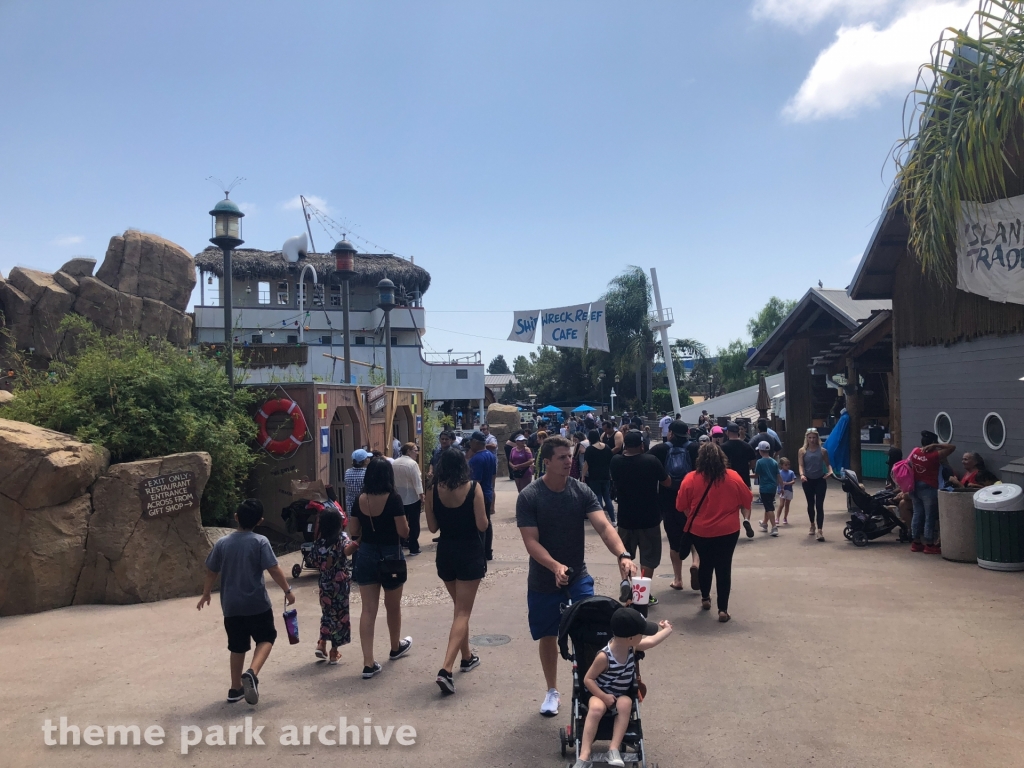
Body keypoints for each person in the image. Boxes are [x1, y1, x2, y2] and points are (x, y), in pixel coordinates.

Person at [517, 436, 639, 717]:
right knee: (548, 635)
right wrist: (554, 566)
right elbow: (531, 541)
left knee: (593, 629)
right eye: (562, 457)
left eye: (570, 456)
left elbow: (604, 526)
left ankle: (594, 688)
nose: (568, 461)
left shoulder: (581, 491)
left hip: (578, 576)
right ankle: (552, 690)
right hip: (543, 580)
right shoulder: (530, 496)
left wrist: (623, 554)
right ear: (547, 461)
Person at [197, 498, 294, 705]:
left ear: (236, 517)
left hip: (231, 606)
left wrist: (206, 593)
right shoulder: (260, 541)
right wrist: (287, 590)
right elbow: (274, 569)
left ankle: (235, 688)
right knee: (267, 637)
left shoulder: (222, 543)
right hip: (257, 603)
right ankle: (252, 672)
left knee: (237, 646)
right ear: (260, 521)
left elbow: (211, 570)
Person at [424, 448, 489, 695]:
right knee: (463, 612)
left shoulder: (432, 490)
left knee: (459, 609)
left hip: (446, 552)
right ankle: (446, 669)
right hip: (469, 551)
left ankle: (467, 656)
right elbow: (482, 524)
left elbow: (432, 527)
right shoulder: (473, 488)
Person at [573, 609, 673, 768]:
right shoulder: (604, 657)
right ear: (631, 638)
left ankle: (613, 749)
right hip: (599, 694)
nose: (643, 636)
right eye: (641, 634)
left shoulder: (631, 648)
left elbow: (652, 641)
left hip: (620, 695)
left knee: (625, 703)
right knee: (597, 708)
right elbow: (588, 679)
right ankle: (584, 754)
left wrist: (667, 630)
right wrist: (603, 696)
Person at [349, 457, 413, 679]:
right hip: (391, 555)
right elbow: (403, 531)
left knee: (368, 609)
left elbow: (353, 530)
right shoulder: (393, 499)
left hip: (366, 553)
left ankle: (368, 663)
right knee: (392, 606)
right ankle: (395, 647)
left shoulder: (360, 499)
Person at [675, 443, 752, 623]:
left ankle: (705, 598)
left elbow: (680, 505)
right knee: (724, 567)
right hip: (728, 529)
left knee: (705, 563)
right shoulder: (733, 476)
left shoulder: (690, 478)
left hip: (700, 530)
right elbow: (747, 499)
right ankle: (723, 609)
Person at [610, 430, 672, 604]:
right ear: (642, 445)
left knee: (625, 554)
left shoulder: (615, 461)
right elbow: (667, 482)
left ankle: (626, 582)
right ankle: (641, 594)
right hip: (649, 517)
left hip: (625, 517)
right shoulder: (651, 461)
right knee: (649, 557)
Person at [649, 419, 701, 592]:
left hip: (668, 500)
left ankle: (678, 579)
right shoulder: (696, 448)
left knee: (674, 539)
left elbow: (647, 466)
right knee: (695, 534)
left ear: (670, 433)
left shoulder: (659, 450)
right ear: (687, 433)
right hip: (693, 499)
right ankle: (696, 563)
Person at [309, 507, 357, 665]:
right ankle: (334, 652)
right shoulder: (341, 537)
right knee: (340, 616)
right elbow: (348, 551)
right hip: (340, 584)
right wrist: (358, 542)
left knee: (327, 613)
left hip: (324, 583)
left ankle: (321, 643)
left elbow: (313, 560)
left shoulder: (319, 541)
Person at [907, 430, 956, 554]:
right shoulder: (934, 456)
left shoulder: (915, 451)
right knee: (930, 516)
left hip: (914, 487)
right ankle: (929, 544)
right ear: (932, 443)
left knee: (917, 514)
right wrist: (936, 445)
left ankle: (916, 542)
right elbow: (952, 447)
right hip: (929, 488)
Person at [719, 422, 758, 538]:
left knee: (730, 503)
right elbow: (753, 462)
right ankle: (746, 519)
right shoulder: (746, 446)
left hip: (727, 479)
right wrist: (747, 468)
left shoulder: (723, 447)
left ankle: (731, 525)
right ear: (738, 432)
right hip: (744, 478)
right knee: (746, 501)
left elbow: (719, 463)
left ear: (728, 432)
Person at [798, 428, 834, 542]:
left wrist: (830, 471)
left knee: (819, 505)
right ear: (807, 438)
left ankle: (820, 530)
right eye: (810, 437)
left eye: (814, 437)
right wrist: (802, 475)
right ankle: (812, 524)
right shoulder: (802, 451)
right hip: (807, 480)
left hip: (820, 480)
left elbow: (828, 464)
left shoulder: (823, 451)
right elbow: (801, 465)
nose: (812, 440)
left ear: (817, 438)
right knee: (810, 504)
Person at [467, 431, 498, 560]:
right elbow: (493, 476)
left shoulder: (477, 459)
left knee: (479, 524)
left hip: (479, 495)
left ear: (475, 442)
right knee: (487, 523)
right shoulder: (490, 455)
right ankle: (487, 551)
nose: (469, 444)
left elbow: (476, 482)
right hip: (488, 492)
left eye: (471, 442)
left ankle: (480, 552)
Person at [393, 442, 425, 556]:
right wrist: (421, 495)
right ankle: (413, 547)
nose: (417, 453)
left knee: (400, 521)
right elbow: (417, 481)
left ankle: (401, 543)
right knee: (414, 523)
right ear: (408, 451)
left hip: (398, 497)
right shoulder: (412, 464)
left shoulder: (394, 462)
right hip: (412, 497)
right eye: (415, 450)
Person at [582, 428, 615, 524]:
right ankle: (613, 520)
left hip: (594, 477)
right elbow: (611, 461)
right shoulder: (607, 447)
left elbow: (586, 464)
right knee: (607, 498)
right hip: (606, 476)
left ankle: (602, 520)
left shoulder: (590, 449)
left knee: (598, 497)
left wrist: (583, 475)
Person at [754, 442, 780, 536]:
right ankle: (765, 523)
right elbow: (778, 475)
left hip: (764, 488)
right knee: (768, 504)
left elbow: (756, 475)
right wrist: (781, 487)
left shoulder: (759, 462)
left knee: (769, 507)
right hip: (773, 487)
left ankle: (774, 527)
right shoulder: (774, 462)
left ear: (760, 451)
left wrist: (746, 475)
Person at [344, 449, 370, 520]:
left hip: (350, 504)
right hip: (364, 503)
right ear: (365, 461)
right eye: (367, 458)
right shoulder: (367, 473)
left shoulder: (347, 472)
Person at [777, 457, 796, 524]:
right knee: (781, 505)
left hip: (789, 490)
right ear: (781, 465)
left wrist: (787, 483)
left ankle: (785, 518)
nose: (787, 466)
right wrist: (778, 488)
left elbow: (793, 481)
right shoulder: (779, 472)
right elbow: (777, 481)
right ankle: (777, 518)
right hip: (782, 490)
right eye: (786, 465)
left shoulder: (791, 472)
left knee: (787, 505)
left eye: (788, 464)